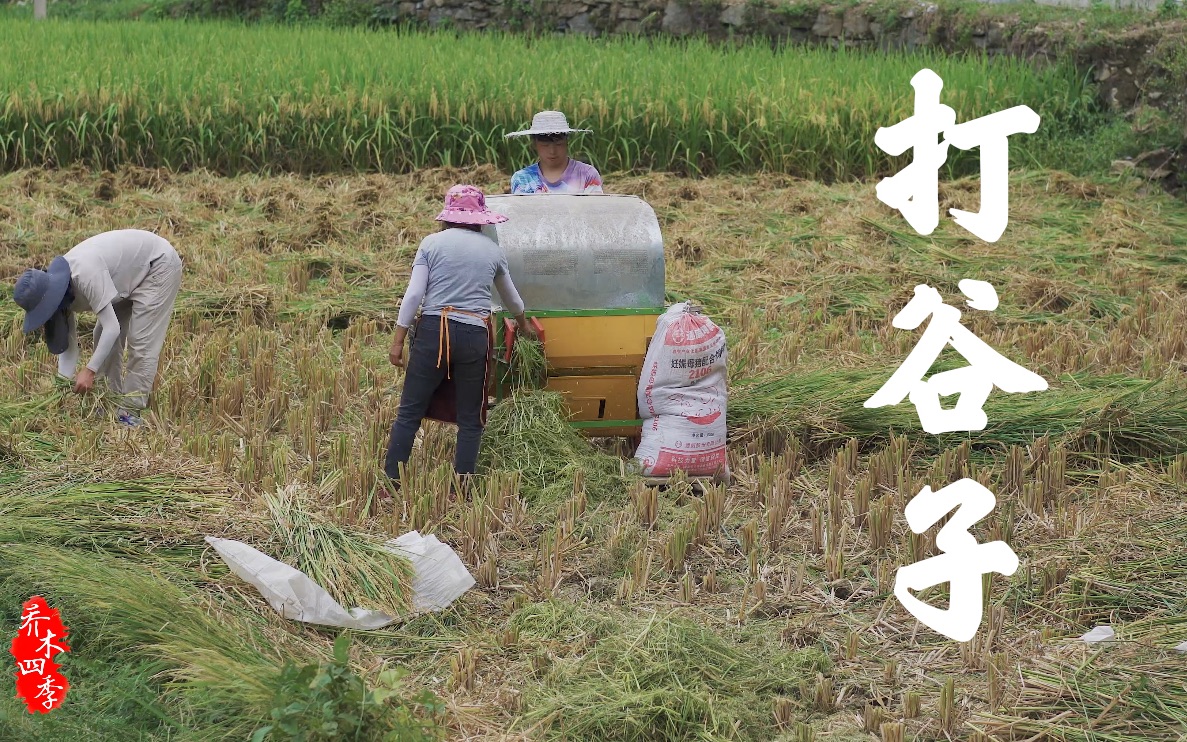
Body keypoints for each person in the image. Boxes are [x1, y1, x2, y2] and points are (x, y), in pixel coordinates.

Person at [384, 185, 537, 498]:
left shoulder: (431, 244)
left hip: (434, 331)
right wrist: (524, 327)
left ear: (447, 217)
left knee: (410, 412)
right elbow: (513, 300)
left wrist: (398, 340)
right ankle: (462, 489)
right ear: (480, 219)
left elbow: (414, 295)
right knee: (471, 418)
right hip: (473, 335)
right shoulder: (492, 251)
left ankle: (390, 485)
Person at [12, 229, 183, 428]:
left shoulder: (84, 275)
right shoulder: (60, 295)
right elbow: (69, 347)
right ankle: (109, 400)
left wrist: (89, 371)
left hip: (157, 265)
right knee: (100, 334)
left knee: (140, 343)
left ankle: (129, 414)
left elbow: (113, 328)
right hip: (125, 277)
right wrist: (62, 387)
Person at [506, 110, 604, 195]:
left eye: (559, 144)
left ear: (567, 142)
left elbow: (594, 211)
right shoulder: (523, 179)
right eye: (545, 145)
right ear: (534, 144)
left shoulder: (587, 174)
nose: (552, 151)